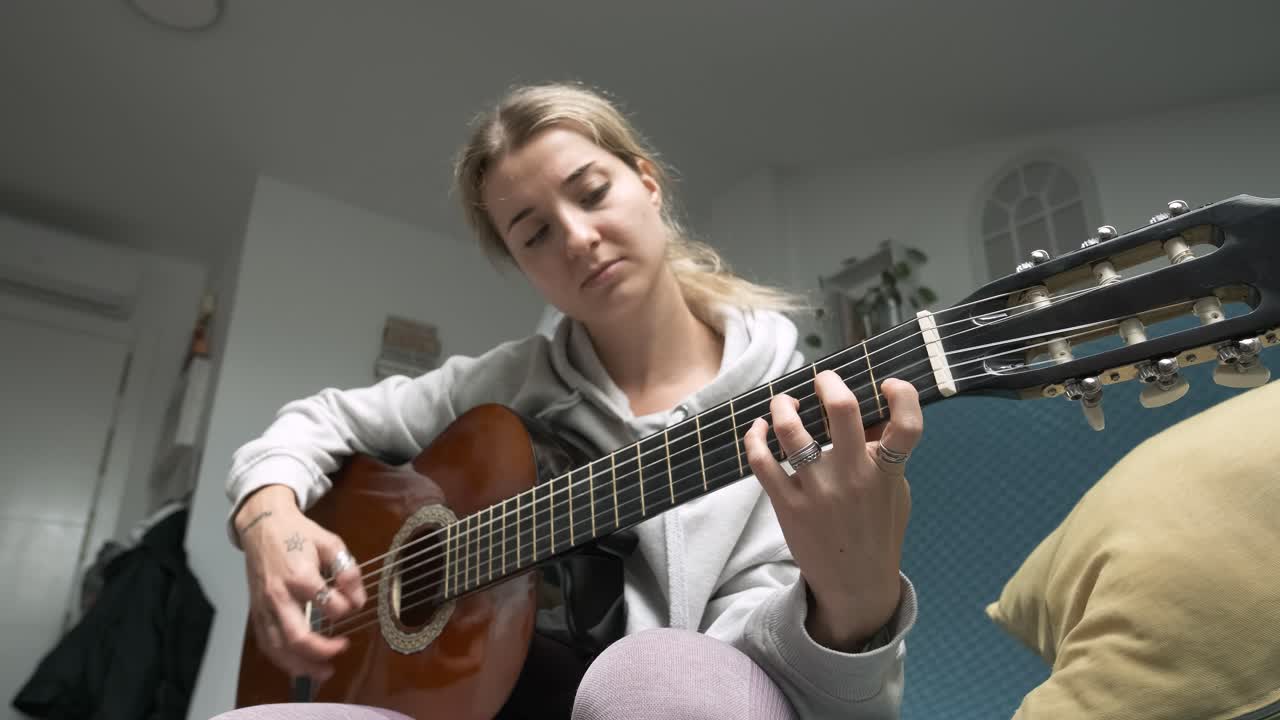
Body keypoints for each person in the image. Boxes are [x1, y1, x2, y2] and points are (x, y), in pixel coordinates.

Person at [224, 82, 923, 720]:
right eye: (535, 235)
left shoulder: (795, 414)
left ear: (648, 184)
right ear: (520, 265)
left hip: (665, 698)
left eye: (591, 194)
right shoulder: (506, 383)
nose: (578, 239)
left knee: (661, 676)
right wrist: (267, 514)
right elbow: (319, 419)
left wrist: (851, 609)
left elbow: (822, 699)